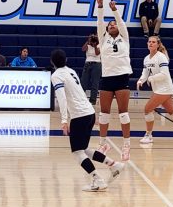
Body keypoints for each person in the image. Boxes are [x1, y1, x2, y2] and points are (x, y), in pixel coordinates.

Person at [50, 49, 125, 191]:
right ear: (66, 60)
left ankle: (98, 180)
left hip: (79, 116)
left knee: (77, 152)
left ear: (52, 62)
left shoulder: (56, 76)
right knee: (84, 149)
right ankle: (114, 165)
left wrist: (64, 121)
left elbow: (62, 99)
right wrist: (92, 112)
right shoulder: (71, 71)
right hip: (88, 112)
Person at [95, 0, 133, 161]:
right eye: (109, 25)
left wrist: (115, 10)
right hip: (107, 78)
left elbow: (122, 23)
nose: (112, 26)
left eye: (114, 24)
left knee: (123, 114)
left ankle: (126, 145)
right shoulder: (103, 39)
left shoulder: (124, 37)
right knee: (104, 114)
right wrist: (101, 7)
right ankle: (103, 143)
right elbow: (99, 22)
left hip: (122, 76)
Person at [137, 36, 173, 144]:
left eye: (153, 42)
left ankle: (148, 135)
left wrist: (151, 78)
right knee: (172, 112)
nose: (151, 43)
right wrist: (141, 80)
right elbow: (145, 73)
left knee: (147, 109)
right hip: (158, 89)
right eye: (149, 42)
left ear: (158, 45)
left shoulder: (161, 57)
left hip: (164, 88)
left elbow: (164, 74)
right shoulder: (146, 58)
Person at [81, 34, 101, 105]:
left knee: (95, 83)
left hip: (97, 65)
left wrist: (95, 45)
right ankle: (81, 99)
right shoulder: (88, 45)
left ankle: (93, 100)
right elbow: (83, 49)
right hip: (87, 64)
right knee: (83, 82)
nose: (93, 41)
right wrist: (88, 41)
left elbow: (97, 53)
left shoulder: (100, 45)